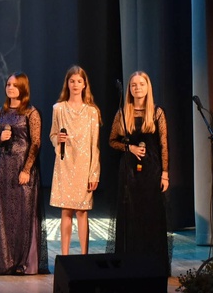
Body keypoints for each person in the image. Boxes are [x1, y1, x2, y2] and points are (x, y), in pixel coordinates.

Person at [107, 70, 171, 275]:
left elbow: (164, 145)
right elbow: (112, 141)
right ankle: (130, 263)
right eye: (134, 85)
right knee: (131, 215)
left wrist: (165, 173)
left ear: (148, 87)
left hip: (152, 171)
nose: (137, 88)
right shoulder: (123, 112)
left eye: (141, 84)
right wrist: (130, 148)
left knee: (151, 216)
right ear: (129, 89)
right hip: (129, 172)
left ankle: (152, 264)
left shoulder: (157, 112)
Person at [0, 72, 49, 275]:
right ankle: (8, 261)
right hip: (6, 168)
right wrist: (1, 138)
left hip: (24, 167)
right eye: (8, 84)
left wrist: (26, 169)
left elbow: (36, 143)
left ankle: (25, 262)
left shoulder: (31, 112)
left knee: (25, 213)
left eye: (14, 85)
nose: (10, 88)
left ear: (23, 88)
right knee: (7, 214)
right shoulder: (1, 112)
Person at [49, 65, 101, 255]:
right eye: (72, 81)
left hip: (84, 166)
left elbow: (95, 145)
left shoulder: (91, 112)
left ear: (85, 84)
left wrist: (94, 173)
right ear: (67, 84)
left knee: (82, 211)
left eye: (79, 81)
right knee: (66, 211)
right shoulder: (58, 109)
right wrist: (58, 139)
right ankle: (65, 256)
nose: (76, 84)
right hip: (65, 163)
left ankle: (83, 256)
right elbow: (52, 134)